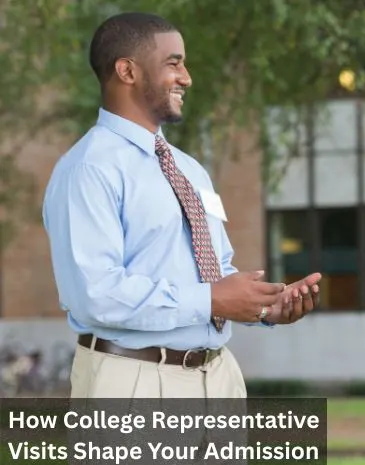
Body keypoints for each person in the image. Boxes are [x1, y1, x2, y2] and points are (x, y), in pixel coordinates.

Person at [42, 12, 321, 399]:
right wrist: (211, 299)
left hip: (218, 378)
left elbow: (216, 271)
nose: (186, 77)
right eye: (174, 63)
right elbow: (95, 294)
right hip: (133, 381)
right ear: (127, 71)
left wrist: (264, 307)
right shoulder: (89, 169)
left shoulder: (189, 169)